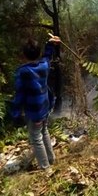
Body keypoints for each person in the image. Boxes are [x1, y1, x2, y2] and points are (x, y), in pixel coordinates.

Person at [11, 35, 61, 171]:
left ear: (23, 55)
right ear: (38, 53)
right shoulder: (44, 65)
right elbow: (47, 56)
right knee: (44, 131)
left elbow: (19, 95)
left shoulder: (23, 72)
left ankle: (46, 168)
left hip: (34, 111)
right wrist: (50, 44)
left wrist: (15, 114)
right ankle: (51, 159)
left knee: (36, 138)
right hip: (45, 106)